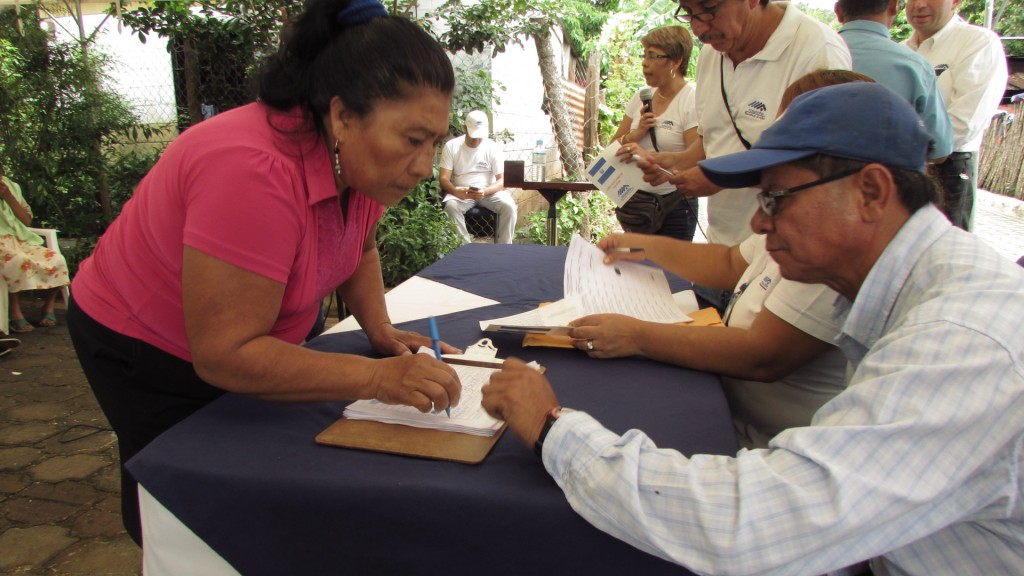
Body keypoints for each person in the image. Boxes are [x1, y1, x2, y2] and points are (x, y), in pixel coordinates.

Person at [482, 83, 1024, 574]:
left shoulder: (968, 343)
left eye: (777, 198)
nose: (762, 223)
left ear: (872, 193)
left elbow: (752, 526)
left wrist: (553, 428)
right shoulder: (919, 285)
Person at [67, 0, 462, 545]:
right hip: (140, 340)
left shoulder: (362, 164)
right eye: (414, 140)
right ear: (343, 115)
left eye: (436, 143)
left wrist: (379, 330)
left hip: (241, 340)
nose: (424, 166)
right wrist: (376, 377)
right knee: (183, 499)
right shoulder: (256, 169)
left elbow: (358, 244)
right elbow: (226, 351)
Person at [623, 0, 851, 311]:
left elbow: (826, 168)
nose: (700, 28)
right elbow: (712, 139)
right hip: (722, 252)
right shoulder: (711, 53)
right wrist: (676, 162)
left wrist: (719, 178)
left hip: (782, 263)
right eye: (689, 14)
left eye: (709, 10)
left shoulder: (815, 50)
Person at [903, 0, 1007, 229]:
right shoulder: (902, 49)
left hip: (949, 167)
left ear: (956, 2)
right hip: (902, 166)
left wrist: (917, 151)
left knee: (944, 255)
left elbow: (965, 123)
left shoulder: (978, 42)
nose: (919, 5)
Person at [609, 26, 700, 241]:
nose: (644, 62)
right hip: (637, 206)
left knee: (669, 273)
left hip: (676, 206)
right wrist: (635, 135)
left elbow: (695, 160)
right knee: (636, 271)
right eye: (644, 55)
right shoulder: (640, 97)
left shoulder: (691, 100)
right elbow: (612, 147)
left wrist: (649, 158)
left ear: (676, 61)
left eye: (653, 56)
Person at [836, 0, 953, 162]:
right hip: (886, 179)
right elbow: (939, 151)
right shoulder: (914, 65)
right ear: (893, 8)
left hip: (813, 181)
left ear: (838, 11)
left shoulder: (812, 53)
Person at [0, 162, 70, 333]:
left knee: (56, 259)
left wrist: (8, 196)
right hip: (2, 242)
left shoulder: (12, 187)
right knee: (18, 260)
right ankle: (15, 314)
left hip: (20, 239)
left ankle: (48, 307)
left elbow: (26, 221)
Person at [438, 110, 516, 244]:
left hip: (489, 191)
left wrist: (485, 192)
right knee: (451, 207)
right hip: (462, 192)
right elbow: (444, 178)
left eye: (480, 136)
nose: (477, 140)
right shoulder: (451, 146)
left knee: (509, 206)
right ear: (465, 128)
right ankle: (464, 248)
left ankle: (504, 250)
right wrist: (455, 191)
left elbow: (502, 180)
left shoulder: (492, 147)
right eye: (473, 136)